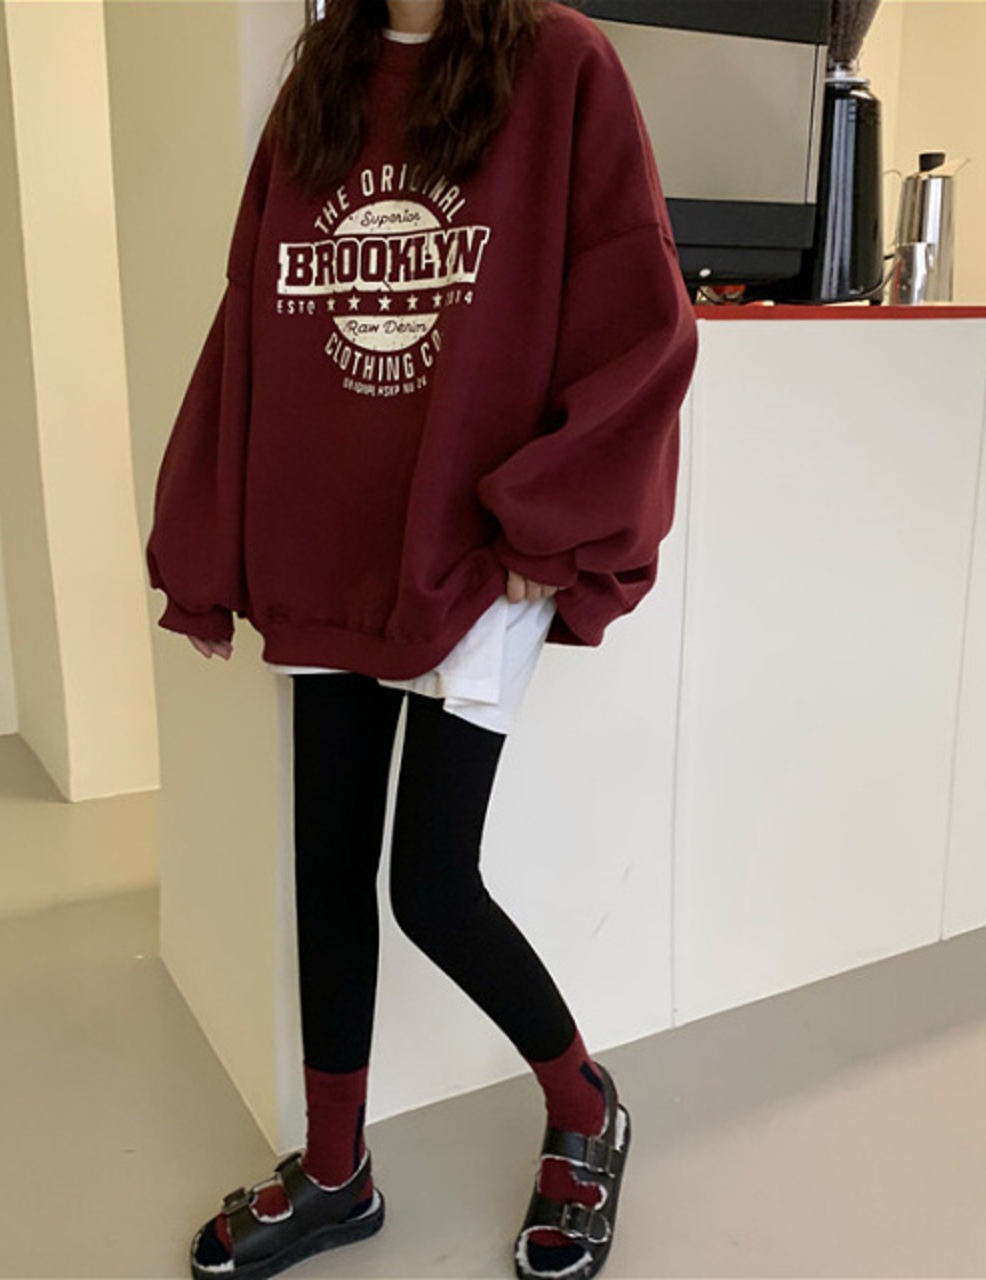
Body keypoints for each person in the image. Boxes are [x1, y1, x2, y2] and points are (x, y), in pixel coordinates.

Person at [145, 1, 699, 1276]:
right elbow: (252, 319)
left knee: (430, 884)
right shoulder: (322, 83)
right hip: (325, 540)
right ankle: (336, 1170)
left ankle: (583, 1102)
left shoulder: (560, 65)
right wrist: (212, 541)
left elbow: (640, 314)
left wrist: (554, 512)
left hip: (478, 547)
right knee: (326, 866)